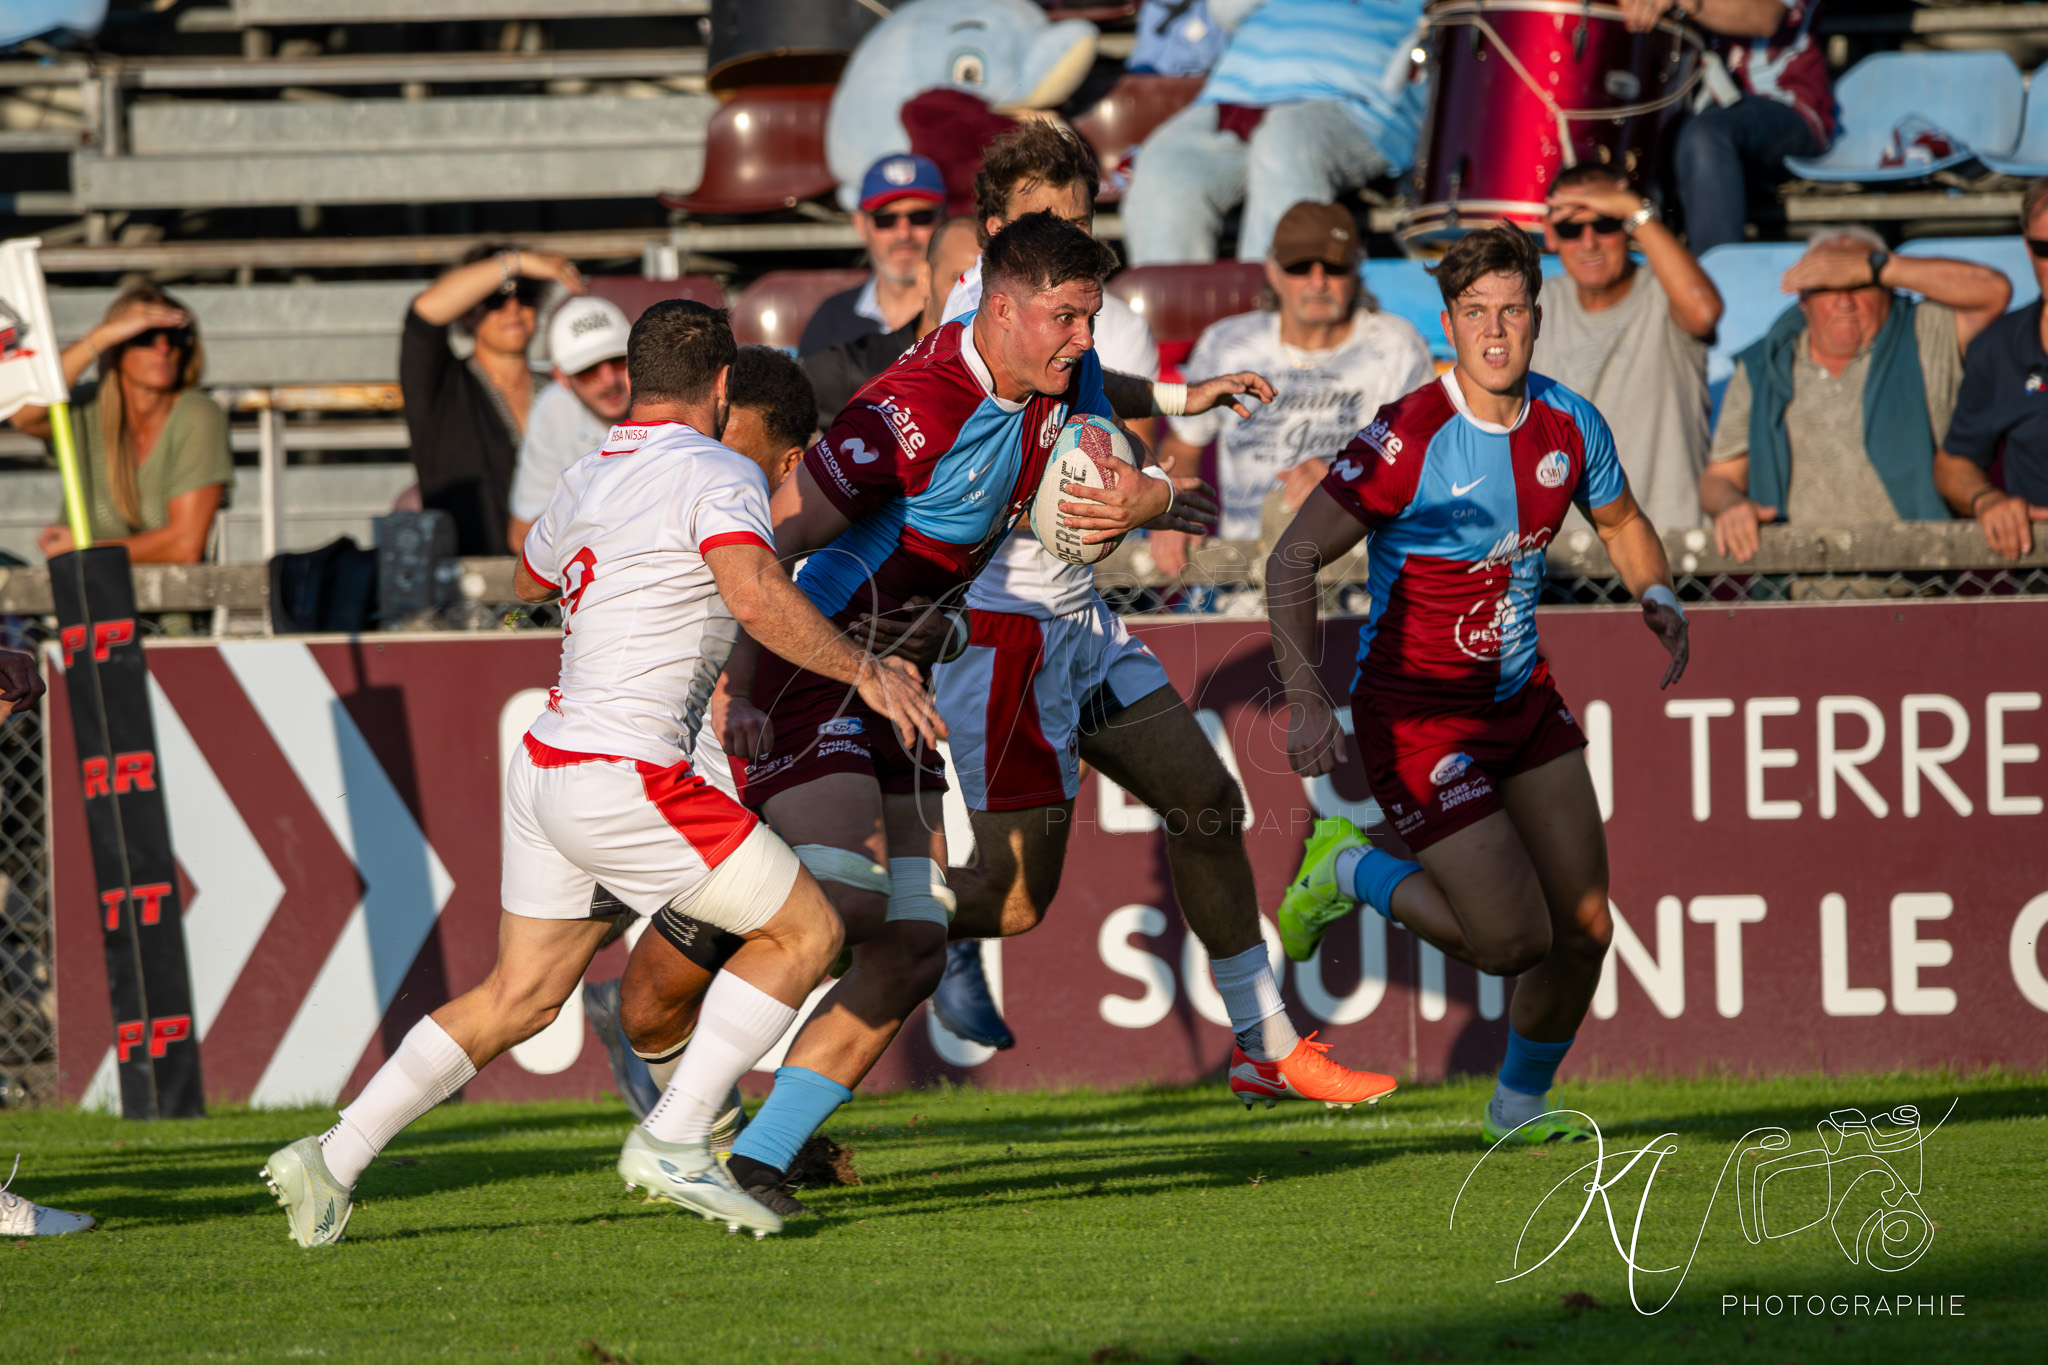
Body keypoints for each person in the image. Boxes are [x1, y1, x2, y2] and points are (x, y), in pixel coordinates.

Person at [258, 301, 943, 1248]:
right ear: (718, 390)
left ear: (630, 379)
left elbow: (532, 572)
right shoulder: (720, 470)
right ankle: (675, 1138)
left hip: (547, 765)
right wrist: (863, 666)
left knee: (519, 996)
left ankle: (332, 1157)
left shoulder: (587, 471)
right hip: (628, 769)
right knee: (809, 928)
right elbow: (752, 590)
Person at [613, 214, 1227, 1217]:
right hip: (818, 674)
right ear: (1001, 308)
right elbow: (770, 540)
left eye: (1090, 318)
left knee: (913, 941)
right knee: (847, 905)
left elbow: (1118, 452)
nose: (1083, 339)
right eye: (1066, 319)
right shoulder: (909, 411)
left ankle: (759, 1160)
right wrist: (734, 674)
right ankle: (679, 1097)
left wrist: (1147, 501)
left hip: (900, 686)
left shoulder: (1053, 384)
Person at [1266, 222, 1690, 1146]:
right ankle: (1347, 864)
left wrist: (1653, 588)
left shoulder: (1568, 423)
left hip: (1520, 702)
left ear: (1537, 318)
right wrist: (1305, 697)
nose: (1495, 332)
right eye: (1474, 314)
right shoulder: (1407, 437)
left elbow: (1621, 522)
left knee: (1585, 926)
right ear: (1448, 327)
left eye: (1511, 311)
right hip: (1417, 720)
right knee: (1511, 941)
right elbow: (1292, 557)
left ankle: (1518, 1108)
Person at [580, 343, 828, 1123]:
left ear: (790, 460)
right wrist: (737, 690)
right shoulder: (685, 483)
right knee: (621, 1001)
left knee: (843, 921)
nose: (709, 455)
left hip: (792, 758)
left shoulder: (799, 502)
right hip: (661, 766)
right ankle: (708, 1137)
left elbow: (761, 596)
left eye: (731, 439)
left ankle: (727, 1141)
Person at [1150, 199, 1434, 575]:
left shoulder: (1397, 346)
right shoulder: (1226, 344)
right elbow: (1182, 444)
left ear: (1357, 267)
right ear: (1273, 270)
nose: (1317, 282)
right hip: (1242, 576)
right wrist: (1175, 505)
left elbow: (1429, 461)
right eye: (1300, 267)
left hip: (1359, 577)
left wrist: (1348, 475)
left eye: (1333, 266)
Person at [1700, 227, 2010, 562]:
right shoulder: (1762, 365)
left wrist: (1877, 265)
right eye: (1828, 286)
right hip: (1798, 588)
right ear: (1802, 299)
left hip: (1916, 581)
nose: (1844, 301)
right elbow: (1719, 478)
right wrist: (1731, 505)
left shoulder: (1924, 332)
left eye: (1860, 283)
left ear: (1888, 290)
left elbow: (1994, 291)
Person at [1121, 0, 1427, 265]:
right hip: (1237, 94)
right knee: (1165, 164)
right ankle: (1174, 326)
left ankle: (1267, 320)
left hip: (1355, 100)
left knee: (1286, 141)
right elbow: (1224, 11)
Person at [1536, 166, 1722, 533]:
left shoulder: (1666, 292)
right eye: (1571, 229)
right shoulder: (1536, 305)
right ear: (1550, 236)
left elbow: (1705, 312)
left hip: (1670, 546)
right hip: (1564, 562)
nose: (1589, 242)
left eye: (1607, 223)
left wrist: (1634, 209)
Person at [13, 285, 231, 563]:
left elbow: (185, 547)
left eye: (176, 336)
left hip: (169, 603)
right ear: (117, 345)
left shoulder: (198, 414)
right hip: (87, 599)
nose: (163, 348)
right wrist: (101, 336)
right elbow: (23, 412)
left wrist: (86, 550)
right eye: (144, 336)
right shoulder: (86, 407)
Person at [401, 242, 585, 556]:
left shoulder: (564, 393)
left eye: (524, 295)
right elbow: (425, 312)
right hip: (470, 593)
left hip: (559, 590)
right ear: (465, 315)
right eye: (495, 299)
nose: (512, 308)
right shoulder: (442, 386)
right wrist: (519, 263)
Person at [1624, 0, 1834, 255]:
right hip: (1687, 106)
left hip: (1786, 109)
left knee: (1705, 136)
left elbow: (1765, 18)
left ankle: (1718, 282)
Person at [1939, 179, 2048, 561]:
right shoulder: (1997, 348)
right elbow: (1955, 462)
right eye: (2045, 249)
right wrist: (1985, 499)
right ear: (2027, 248)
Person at [804, 215, 982, 428]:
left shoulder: (1021, 385)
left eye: (988, 280)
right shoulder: (854, 372)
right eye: (960, 278)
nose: (976, 296)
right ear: (924, 279)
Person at [505, 295, 634, 552]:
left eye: (619, 360)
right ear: (561, 377)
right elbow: (522, 535)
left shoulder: (673, 392)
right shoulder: (553, 412)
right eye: (588, 369)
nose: (609, 379)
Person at [798, 154, 946, 357]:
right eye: (885, 219)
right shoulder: (829, 320)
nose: (904, 233)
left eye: (920, 217)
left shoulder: (966, 316)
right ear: (860, 225)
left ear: (943, 221)